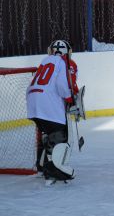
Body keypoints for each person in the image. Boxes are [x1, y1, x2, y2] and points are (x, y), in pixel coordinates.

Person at [26, 40, 78, 184]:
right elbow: (62, 85)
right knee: (60, 134)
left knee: (47, 133)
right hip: (47, 105)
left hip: (33, 102)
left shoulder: (45, 60)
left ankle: (41, 165)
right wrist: (69, 98)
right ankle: (53, 169)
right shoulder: (63, 63)